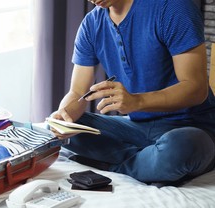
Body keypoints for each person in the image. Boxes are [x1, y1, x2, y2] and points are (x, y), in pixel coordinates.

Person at [49, 0, 215, 186]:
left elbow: (196, 88)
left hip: (191, 128)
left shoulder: (173, 7)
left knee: (185, 147)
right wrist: (63, 116)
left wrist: (137, 101)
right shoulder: (91, 24)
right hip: (137, 127)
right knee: (66, 128)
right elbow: (77, 91)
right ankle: (147, 163)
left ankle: (116, 168)